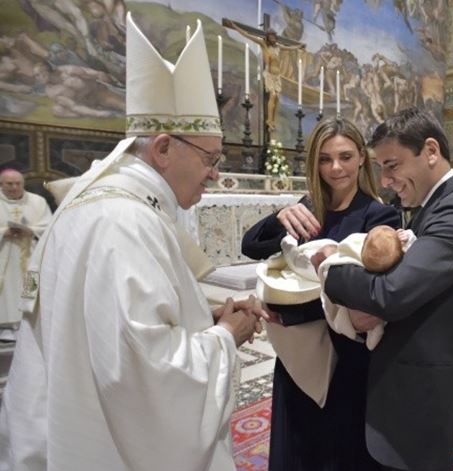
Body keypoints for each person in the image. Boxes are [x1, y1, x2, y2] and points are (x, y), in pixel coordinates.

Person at [0, 16, 265, 469]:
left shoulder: (104, 201)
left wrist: (203, 318)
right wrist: (226, 335)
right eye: (209, 158)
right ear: (163, 148)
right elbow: (149, 373)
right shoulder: (126, 223)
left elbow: (116, 326)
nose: (216, 173)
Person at [315, 107, 453, 471]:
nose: (384, 180)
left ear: (430, 151)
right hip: (407, 393)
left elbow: (391, 294)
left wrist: (328, 266)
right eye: (381, 167)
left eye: (392, 165)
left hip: (423, 400)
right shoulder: (435, 207)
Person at [241, 117, 400, 471]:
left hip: (346, 360)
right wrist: (281, 216)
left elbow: (368, 295)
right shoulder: (308, 209)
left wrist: (289, 315)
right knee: (299, 450)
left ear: (362, 157)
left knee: (339, 454)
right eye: (325, 159)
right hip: (298, 358)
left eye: (344, 156)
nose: (335, 168)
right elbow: (251, 246)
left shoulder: (380, 216)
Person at [0, 169, 52, 342]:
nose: (14, 187)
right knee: (6, 290)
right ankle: (6, 327)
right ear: (2, 184)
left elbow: (49, 226)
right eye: (9, 183)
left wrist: (31, 230)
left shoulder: (37, 201)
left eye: (18, 183)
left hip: (30, 254)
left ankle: (29, 322)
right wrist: (4, 232)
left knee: (30, 284)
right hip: (4, 254)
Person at [227, 22, 305, 132]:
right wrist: (236, 27)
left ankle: (273, 121)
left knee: (277, 97)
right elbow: (249, 35)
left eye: (274, 36)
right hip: (269, 74)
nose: (273, 38)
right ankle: (269, 120)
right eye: (271, 36)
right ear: (268, 37)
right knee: (272, 95)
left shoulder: (278, 47)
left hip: (277, 76)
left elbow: (290, 48)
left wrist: (299, 46)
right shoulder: (264, 45)